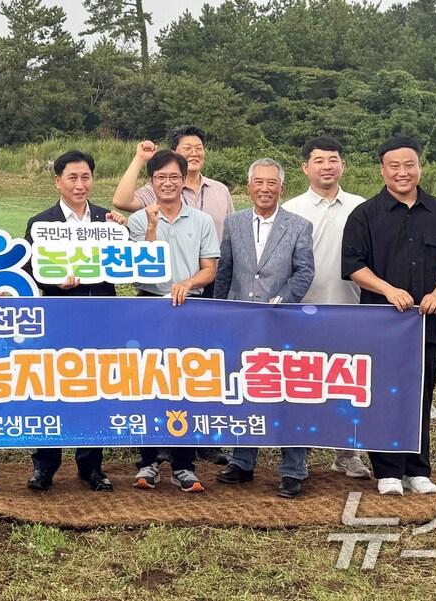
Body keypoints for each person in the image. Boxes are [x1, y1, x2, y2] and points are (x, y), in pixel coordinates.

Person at [341, 136, 436, 496]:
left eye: (408, 164)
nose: (402, 172)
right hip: (380, 324)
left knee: (421, 394)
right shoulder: (365, 214)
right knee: (382, 394)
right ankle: (387, 470)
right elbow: (353, 265)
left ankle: (417, 468)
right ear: (382, 170)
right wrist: (388, 290)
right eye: (394, 166)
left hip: (427, 322)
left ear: (419, 167)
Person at [116, 143, 219, 493]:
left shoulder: (202, 220)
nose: (168, 183)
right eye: (161, 177)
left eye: (174, 177)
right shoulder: (138, 218)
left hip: (190, 307)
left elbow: (210, 270)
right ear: (152, 181)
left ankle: (184, 464)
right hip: (149, 306)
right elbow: (134, 270)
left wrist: (188, 283)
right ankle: (147, 462)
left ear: (183, 179)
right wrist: (149, 229)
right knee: (149, 384)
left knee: (185, 385)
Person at [212, 158, 315, 498]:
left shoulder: (299, 225)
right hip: (241, 322)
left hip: (283, 321)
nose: (265, 189)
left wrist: (284, 298)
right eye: (259, 182)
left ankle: (292, 469)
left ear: (282, 188)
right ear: (249, 187)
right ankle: (242, 461)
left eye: (272, 183)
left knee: (287, 393)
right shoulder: (234, 222)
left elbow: (304, 271)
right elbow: (225, 271)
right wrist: (219, 311)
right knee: (244, 390)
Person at [24, 150, 122, 492]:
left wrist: (122, 237)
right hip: (57, 318)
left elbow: (128, 265)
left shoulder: (108, 221)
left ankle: (91, 466)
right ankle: (45, 466)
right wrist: (55, 282)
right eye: (73, 178)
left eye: (86, 178)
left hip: (99, 317)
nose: (80, 185)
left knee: (94, 389)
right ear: (58, 182)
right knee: (53, 389)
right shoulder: (41, 223)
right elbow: (30, 272)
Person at [279, 136, 374, 480]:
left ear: (342, 165)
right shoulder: (291, 210)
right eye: (318, 160)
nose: (327, 167)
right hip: (303, 311)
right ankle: (298, 457)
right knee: (303, 384)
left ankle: (347, 454)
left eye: (333, 160)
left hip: (351, 308)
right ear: (305, 167)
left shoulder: (361, 207)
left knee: (348, 383)